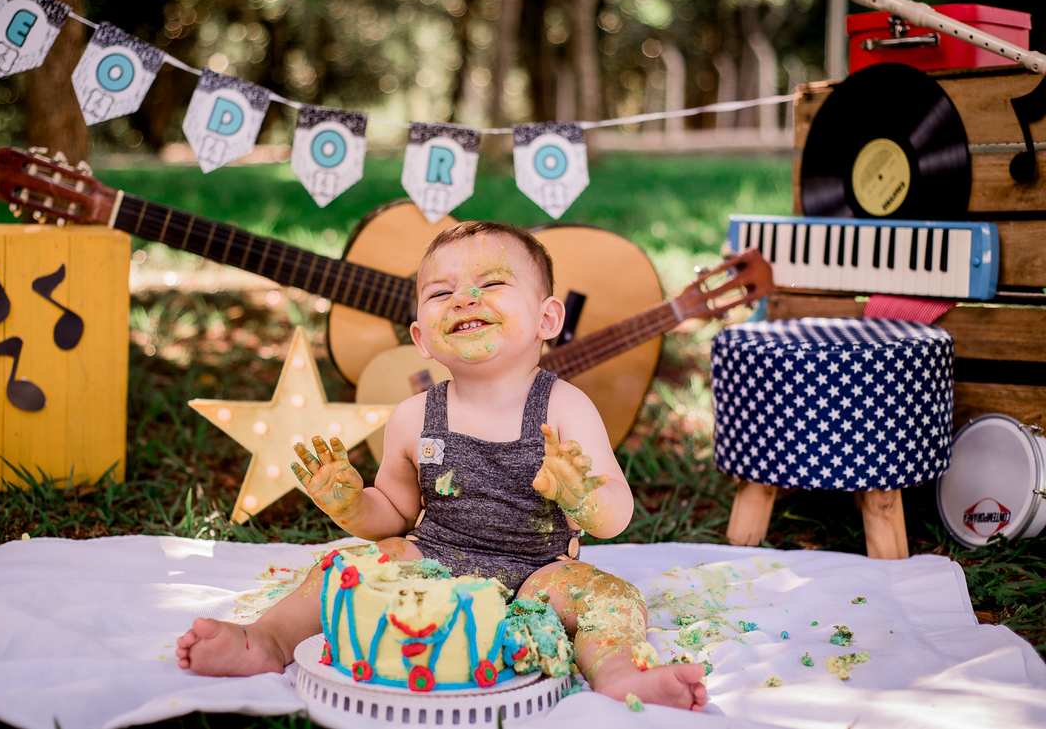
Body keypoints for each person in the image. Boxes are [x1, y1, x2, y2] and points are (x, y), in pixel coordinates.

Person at [176, 221, 708, 711]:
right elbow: (395, 512)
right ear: (422, 338)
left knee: (610, 597)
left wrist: (583, 499)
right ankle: (267, 639)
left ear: (548, 318)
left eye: (492, 283)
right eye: (440, 292)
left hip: (540, 575)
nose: (464, 298)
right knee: (346, 566)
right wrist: (352, 503)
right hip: (431, 566)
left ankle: (617, 671)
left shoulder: (564, 408)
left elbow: (616, 513)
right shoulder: (412, 418)